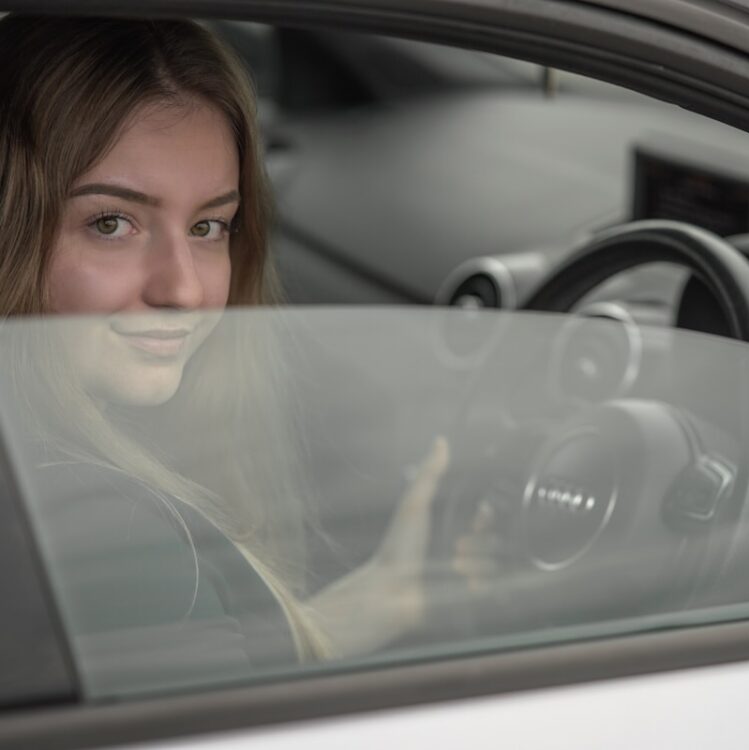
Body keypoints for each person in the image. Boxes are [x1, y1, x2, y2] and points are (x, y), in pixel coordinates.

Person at [0, 13, 449, 683]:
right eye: (112, 223)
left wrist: (362, 610)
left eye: (210, 226)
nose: (183, 289)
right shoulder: (106, 535)